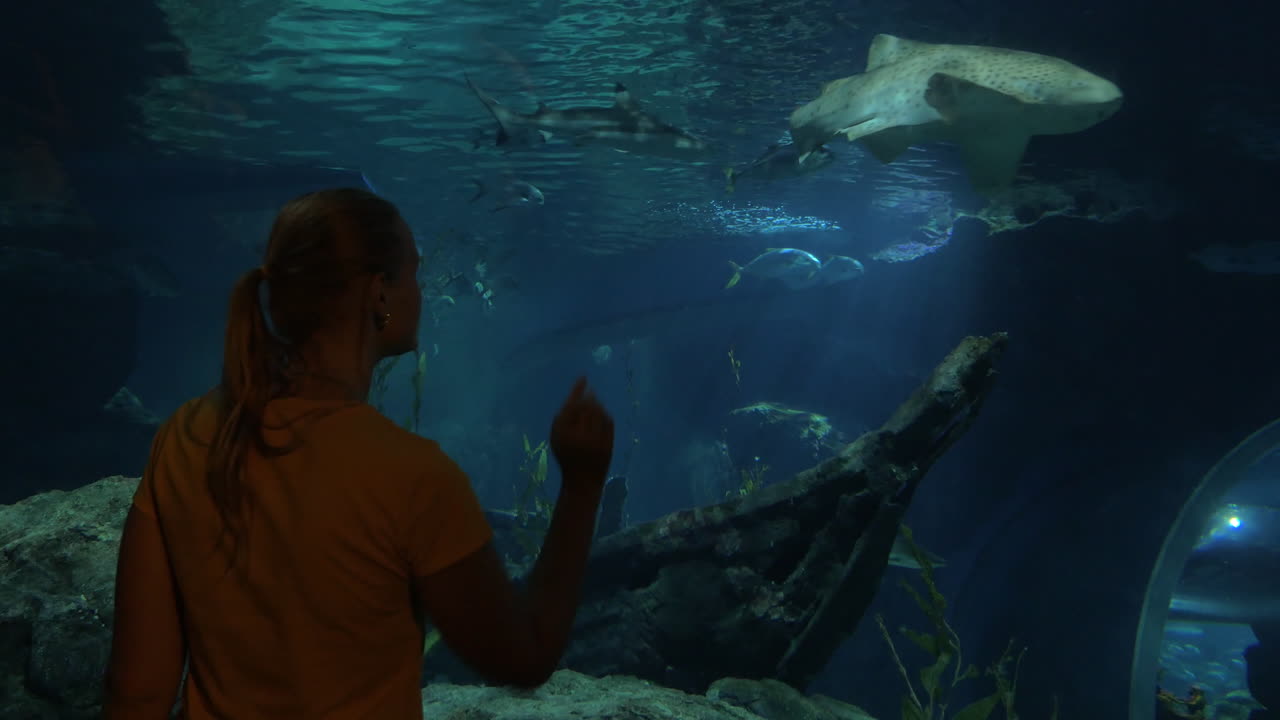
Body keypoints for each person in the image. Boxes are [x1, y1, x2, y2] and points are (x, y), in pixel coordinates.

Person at [103, 187, 615, 719]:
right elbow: (523, 655)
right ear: (379, 295)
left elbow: (138, 690)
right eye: (413, 274)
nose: (420, 292)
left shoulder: (186, 437)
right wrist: (582, 486)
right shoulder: (411, 476)